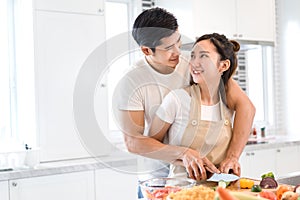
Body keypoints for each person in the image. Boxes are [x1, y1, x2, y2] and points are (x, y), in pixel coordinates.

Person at [112, 7, 255, 198]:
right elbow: (134, 142)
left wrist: (232, 156)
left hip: (201, 181)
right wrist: (183, 153)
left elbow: (245, 106)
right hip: (158, 181)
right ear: (147, 50)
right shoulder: (131, 81)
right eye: (168, 48)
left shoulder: (193, 63)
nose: (177, 52)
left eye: (178, 42)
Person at [149, 33, 245, 180]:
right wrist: (182, 153)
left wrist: (233, 159)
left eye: (204, 56)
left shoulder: (228, 105)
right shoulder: (177, 99)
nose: (195, 63)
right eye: (193, 56)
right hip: (180, 193)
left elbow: (249, 109)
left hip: (219, 192)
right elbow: (150, 145)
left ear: (223, 65)